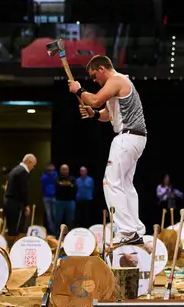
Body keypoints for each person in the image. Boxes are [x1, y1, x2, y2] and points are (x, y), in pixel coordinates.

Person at [69, 55, 147, 245]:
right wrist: (94, 114)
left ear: (102, 69)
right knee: (126, 185)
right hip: (136, 138)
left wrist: (78, 89)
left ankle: (127, 230)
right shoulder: (118, 84)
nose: (94, 80)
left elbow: (95, 100)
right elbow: (106, 113)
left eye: (94, 75)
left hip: (126, 137)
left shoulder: (116, 80)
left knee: (110, 182)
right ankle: (135, 228)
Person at [4, 154, 36, 236]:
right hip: (15, 203)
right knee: (16, 230)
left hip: (9, 202)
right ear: (29, 162)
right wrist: (26, 205)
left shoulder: (15, 170)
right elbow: (23, 190)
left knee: (11, 228)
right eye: (33, 165)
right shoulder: (22, 172)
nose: (33, 167)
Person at [54, 164, 76, 231]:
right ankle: (57, 235)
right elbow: (58, 188)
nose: (64, 171)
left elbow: (74, 189)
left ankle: (69, 234)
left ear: (68, 170)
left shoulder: (72, 179)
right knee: (58, 219)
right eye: (63, 169)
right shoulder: (57, 179)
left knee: (70, 219)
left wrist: (62, 185)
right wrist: (68, 186)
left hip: (70, 201)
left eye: (66, 169)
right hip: (59, 201)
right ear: (60, 170)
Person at [40, 164, 57, 235]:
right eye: (50, 170)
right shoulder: (44, 177)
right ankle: (52, 231)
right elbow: (42, 187)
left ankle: (56, 231)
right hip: (46, 197)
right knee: (49, 215)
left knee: (55, 215)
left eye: (52, 169)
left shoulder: (56, 176)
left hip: (55, 197)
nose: (51, 171)